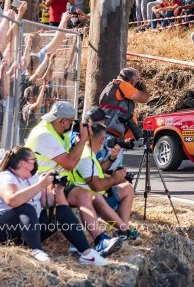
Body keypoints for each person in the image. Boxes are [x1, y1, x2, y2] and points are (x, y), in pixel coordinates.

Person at [25, 101, 123, 257]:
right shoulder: (44, 135)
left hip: (58, 182)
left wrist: (77, 144)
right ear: (62, 121)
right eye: (71, 123)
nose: (73, 126)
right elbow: (70, 163)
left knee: (85, 194)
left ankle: (100, 240)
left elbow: (68, 158)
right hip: (41, 186)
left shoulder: (57, 132)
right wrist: (84, 139)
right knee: (78, 197)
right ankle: (83, 245)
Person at [0, 146, 108, 266]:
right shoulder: (6, 177)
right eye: (33, 160)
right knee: (26, 207)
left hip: (27, 231)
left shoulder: (33, 178)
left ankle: (87, 253)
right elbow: (12, 200)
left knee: (62, 211)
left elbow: (48, 203)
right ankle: (37, 250)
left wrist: (58, 190)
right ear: (23, 163)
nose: (36, 163)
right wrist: (40, 185)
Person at [71, 124, 139, 240]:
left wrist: (112, 158)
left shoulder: (87, 152)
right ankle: (125, 230)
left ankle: (123, 231)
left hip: (95, 197)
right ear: (102, 139)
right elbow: (97, 185)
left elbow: (99, 170)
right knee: (122, 189)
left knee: (127, 188)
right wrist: (114, 179)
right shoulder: (86, 157)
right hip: (91, 202)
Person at [99, 68, 150, 170]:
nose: (138, 82)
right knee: (112, 171)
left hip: (105, 133)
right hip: (111, 136)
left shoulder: (111, 86)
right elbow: (145, 98)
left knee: (104, 169)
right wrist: (142, 86)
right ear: (132, 80)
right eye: (137, 80)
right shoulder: (123, 85)